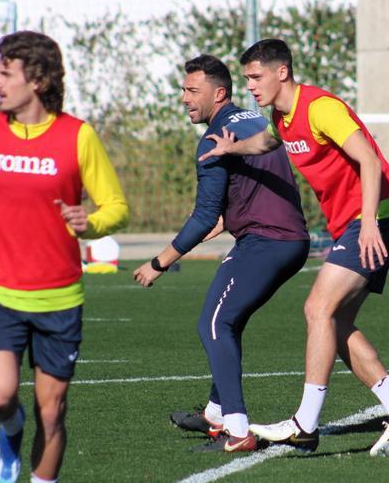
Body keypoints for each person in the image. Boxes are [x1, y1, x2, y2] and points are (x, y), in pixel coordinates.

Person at [199, 38, 389, 456]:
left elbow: (370, 160)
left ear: (281, 72)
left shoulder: (320, 107)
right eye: (247, 78)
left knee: (316, 309)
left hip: (379, 218)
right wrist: (233, 148)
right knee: (335, 324)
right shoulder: (280, 118)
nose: (249, 86)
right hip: (357, 225)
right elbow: (267, 143)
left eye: (255, 77)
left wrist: (371, 223)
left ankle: (305, 423)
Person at [0, 31, 129, 482]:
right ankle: (11, 428)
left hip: (60, 299)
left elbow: (117, 208)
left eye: (5, 73)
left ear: (38, 80)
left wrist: (92, 222)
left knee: (52, 415)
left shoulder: (78, 136)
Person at [132, 54, 310, 453]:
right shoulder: (252, 119)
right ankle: (215, 412)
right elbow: (248, 187)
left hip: (267, 242)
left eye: (193, 91)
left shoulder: (214, 141)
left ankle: (238, 430)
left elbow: (202, 217)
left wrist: (158, 263)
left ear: (219, 93)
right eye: (183, 89)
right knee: (228, 320)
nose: (184, 98)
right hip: (288, 240)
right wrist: (226, 220)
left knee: (213, 324)